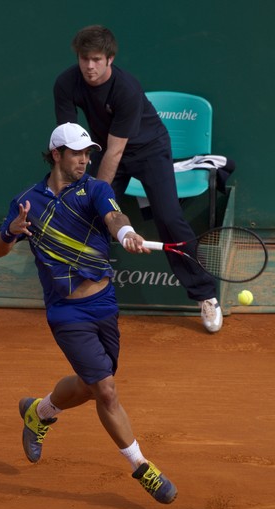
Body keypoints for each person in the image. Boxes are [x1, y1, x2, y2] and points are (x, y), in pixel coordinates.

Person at [0, 122, 177, 504]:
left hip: (104, 304)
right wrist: (11, 231)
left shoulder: (96, 189)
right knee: (106, 391)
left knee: (91, 386)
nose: (85, 159)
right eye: (77, 153)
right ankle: (142, 467)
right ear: (56, 154)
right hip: (66, 312)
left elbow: (114, 218)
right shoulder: (28, 201)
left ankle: (39, 413)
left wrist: (126, 234)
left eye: (88, 152)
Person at [53, 24, 223, 333]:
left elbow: (115, 154)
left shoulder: (126, 89)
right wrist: (74, 189)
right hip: (105, 149)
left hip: (148, 150)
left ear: (110, 58)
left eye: (96, 59)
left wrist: (95, 193)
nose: (89, 67)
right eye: (83, 59)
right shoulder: (66, 83)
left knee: (170, 219)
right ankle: (81, 295)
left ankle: (205, 294)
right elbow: (69, 141)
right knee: (86, 218)